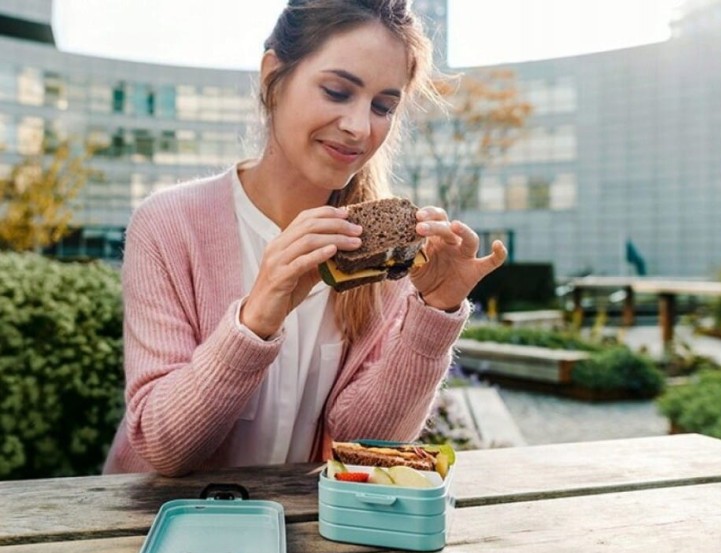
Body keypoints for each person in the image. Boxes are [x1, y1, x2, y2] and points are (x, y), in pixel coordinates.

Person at [103, 0, 507, 477]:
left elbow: (366, 442)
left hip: (306, 535)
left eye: (383, 106)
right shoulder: (169, 223)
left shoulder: (386, 247)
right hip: (157, 532)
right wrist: (256, 319)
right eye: (337, 91)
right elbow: (162, 446)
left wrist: (433, 312)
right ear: (274, 74)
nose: (360, 127)